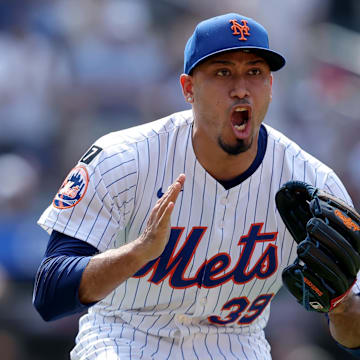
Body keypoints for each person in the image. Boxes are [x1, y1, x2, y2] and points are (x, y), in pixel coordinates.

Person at [33, 13, 360, 360]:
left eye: (255, 72)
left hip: (237, 342)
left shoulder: (312, 183)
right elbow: (50, 292)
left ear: (271, 86)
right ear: (188, 88)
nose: (241, 88)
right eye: (223, 72)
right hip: (125, 335)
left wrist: (340, 304)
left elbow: (353, 338)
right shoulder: (123, 158)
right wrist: (139, 252)